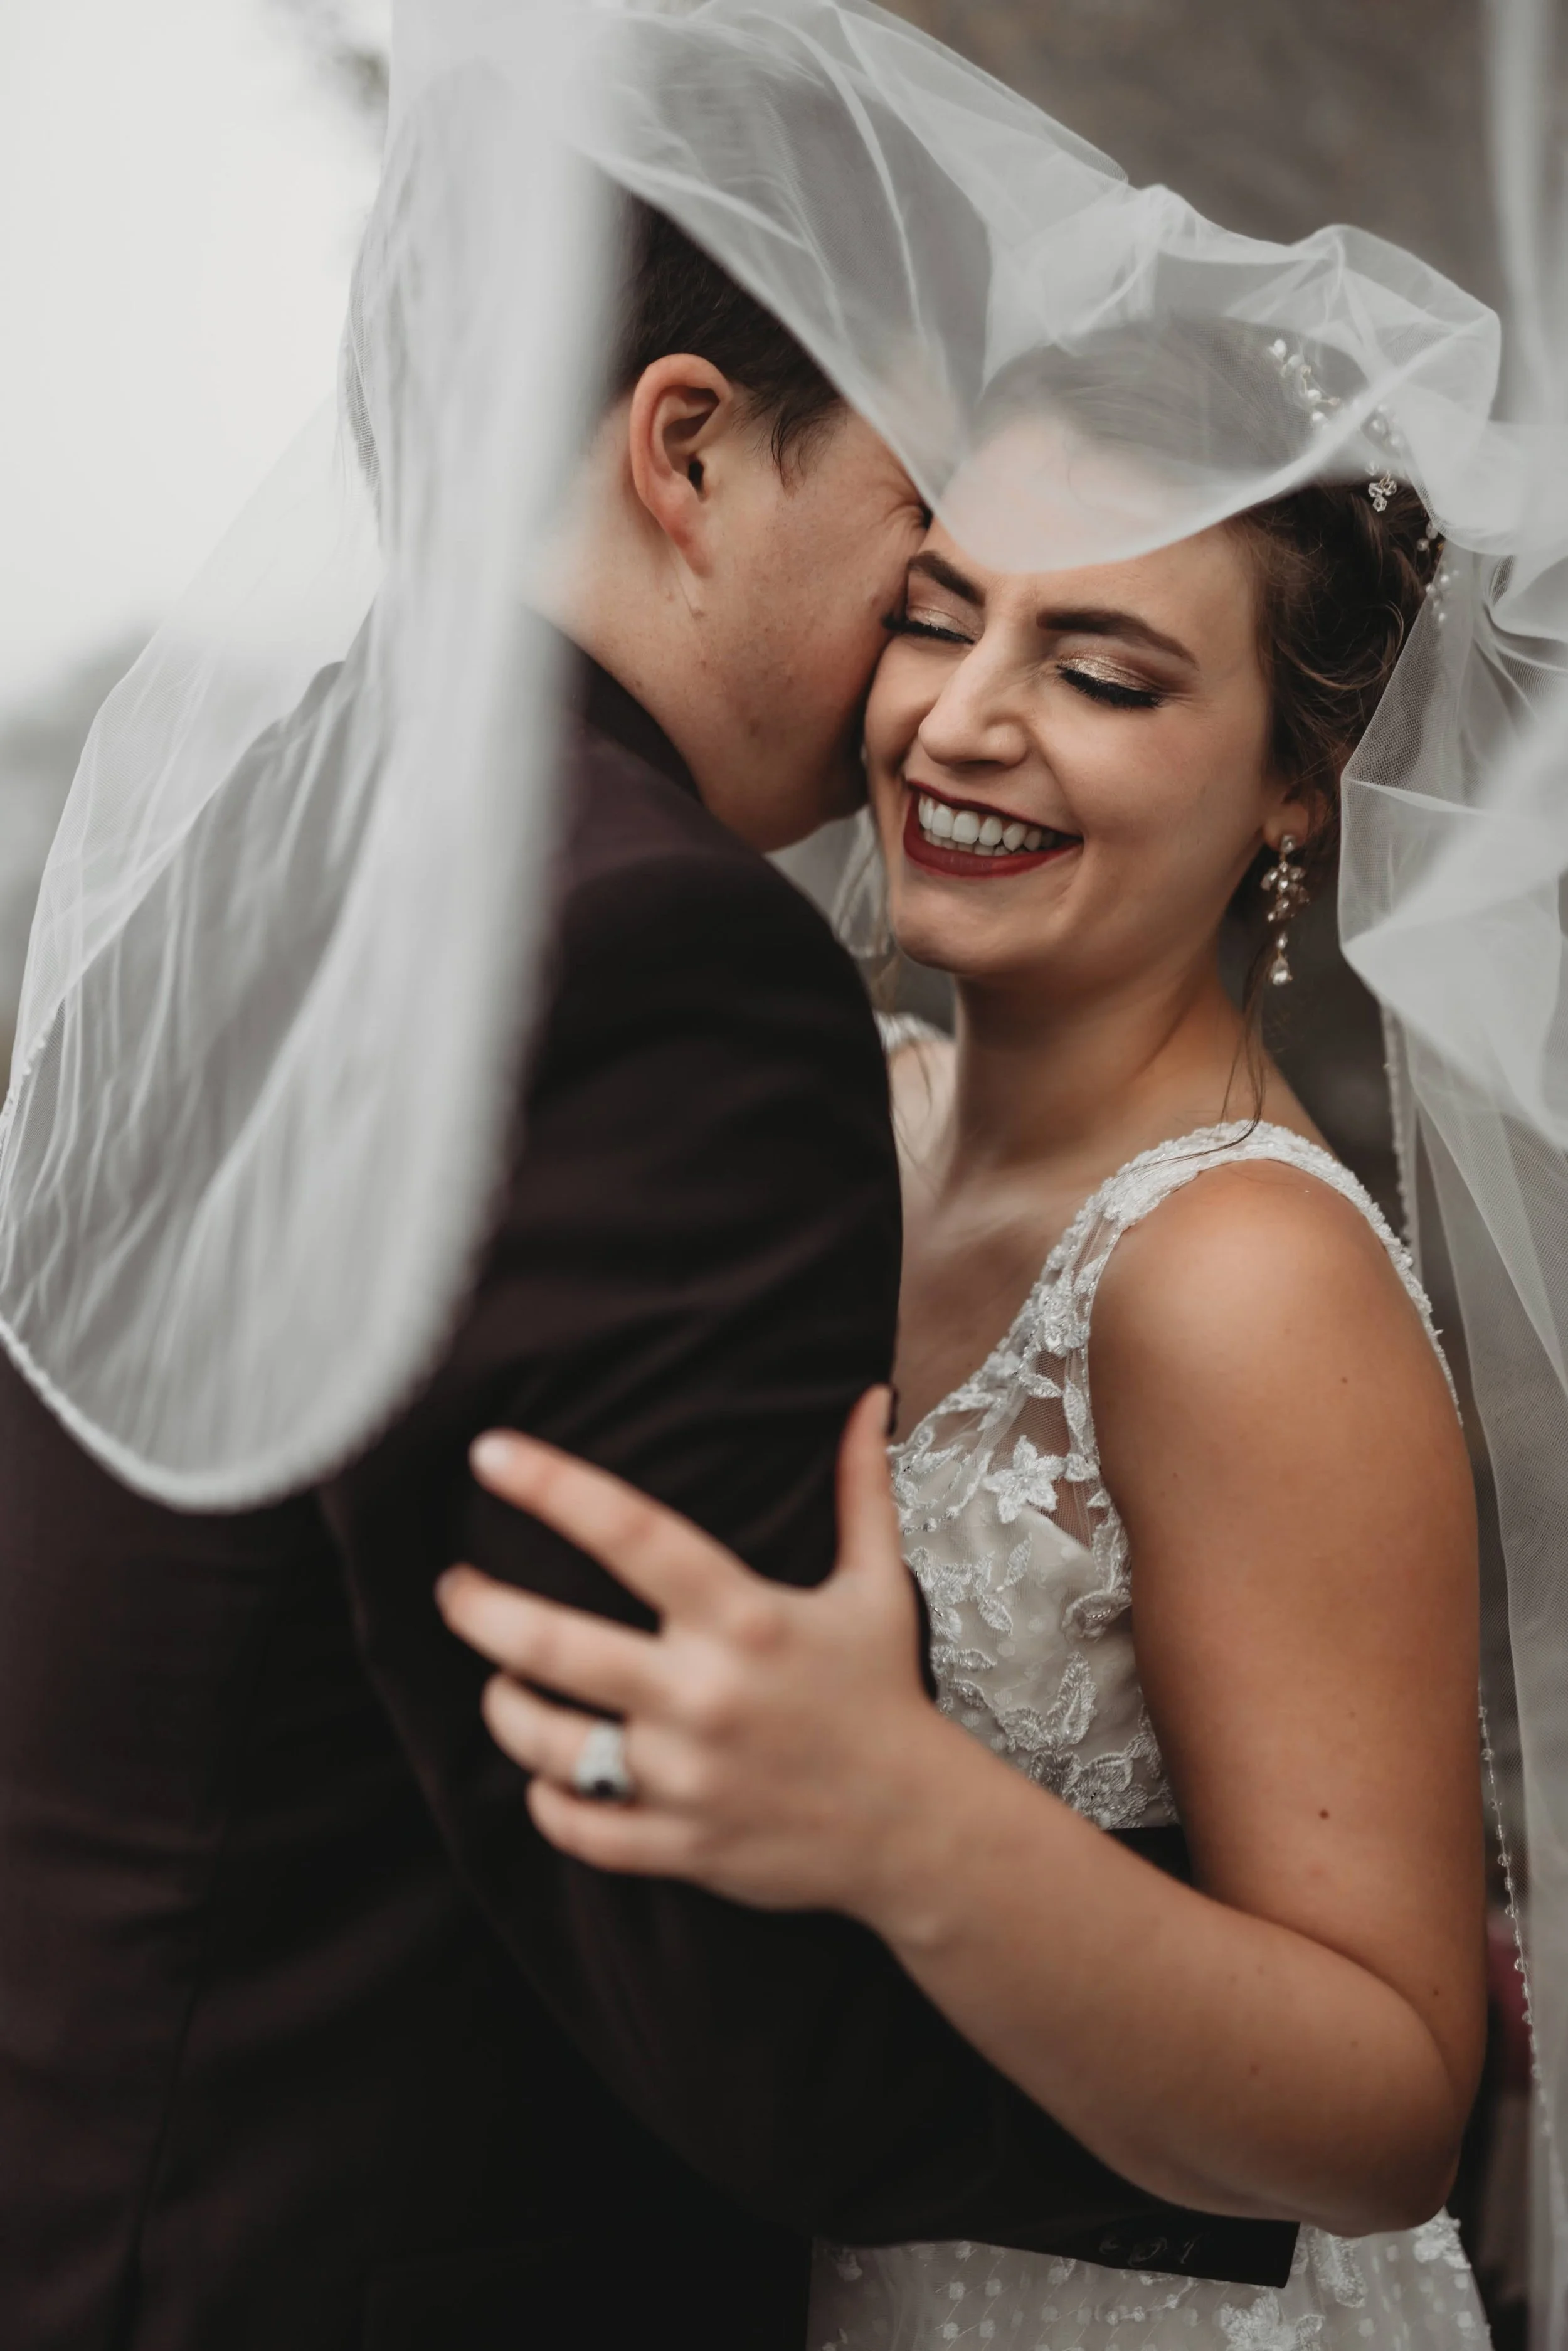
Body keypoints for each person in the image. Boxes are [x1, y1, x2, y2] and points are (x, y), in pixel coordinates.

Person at [0, 191, 1296, 2351]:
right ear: (684, 446)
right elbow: (719, 1962)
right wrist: (1320, 2076)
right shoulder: (656, 947)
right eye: (911, 519)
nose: (926, 637)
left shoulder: (285, 822)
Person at [437, 459, 1498, 2351]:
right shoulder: (868, 1116)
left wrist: (900, 1813)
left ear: (1290, 783)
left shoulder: (1234, 1270)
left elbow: (1393, 2105)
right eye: (936, 612)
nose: (959, 716)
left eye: (1101, 674)